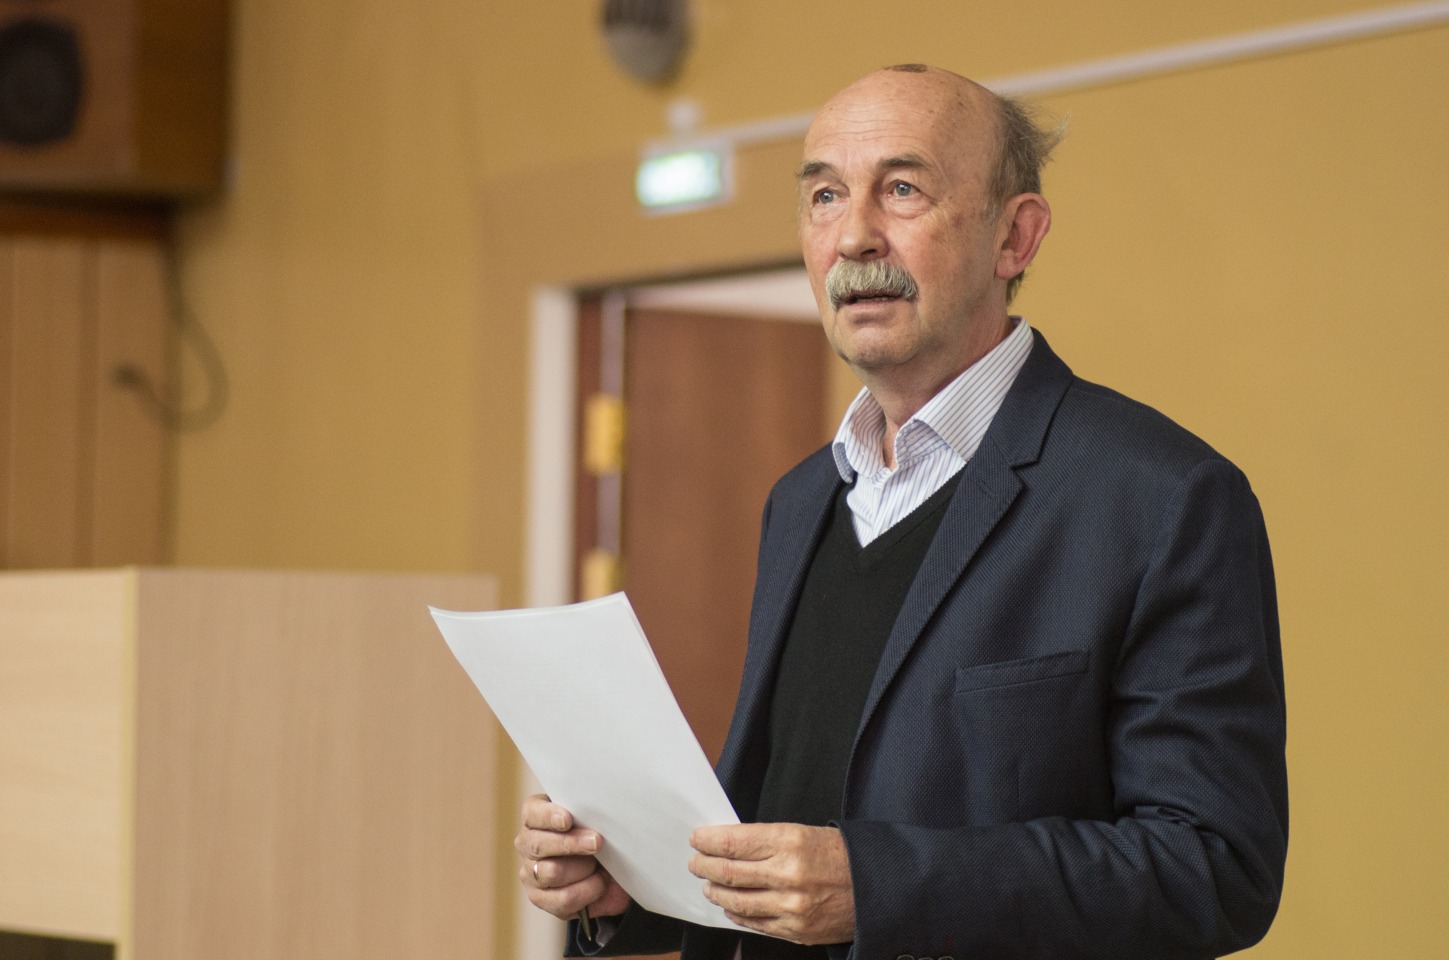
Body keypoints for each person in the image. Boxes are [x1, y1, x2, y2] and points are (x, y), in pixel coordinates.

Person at [516, 63, 1287, 960]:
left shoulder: (1162, 497)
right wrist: (636, 884)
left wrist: (878, 888)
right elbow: (784, 804)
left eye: (902, 189)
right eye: (824, 196)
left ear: (1014, 237)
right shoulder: (801, 499)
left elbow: (1212, 868)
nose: (852, 236)